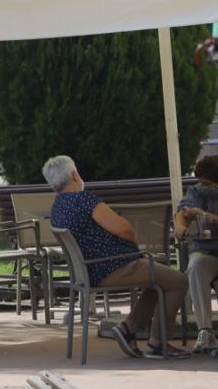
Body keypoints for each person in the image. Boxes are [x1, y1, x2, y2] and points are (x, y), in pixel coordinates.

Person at [46, 155, 190, 359]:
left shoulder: (57, 207)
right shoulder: (84, 199)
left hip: (90, 271)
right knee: (179, 281)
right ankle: (157, 344)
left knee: (160, 280)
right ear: (74, 175)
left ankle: (129, 328)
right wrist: (133, 245)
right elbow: (123, 228)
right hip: (113, 268)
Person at [174, 154, 218, 352]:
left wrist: (206, 216)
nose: (203, 186)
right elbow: (182, 212)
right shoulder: (196, 192)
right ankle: (205, 331)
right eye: (200, 181)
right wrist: (180, 226)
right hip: (206, 250)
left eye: (207, 182)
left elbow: (200, 214)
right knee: (196, 265)